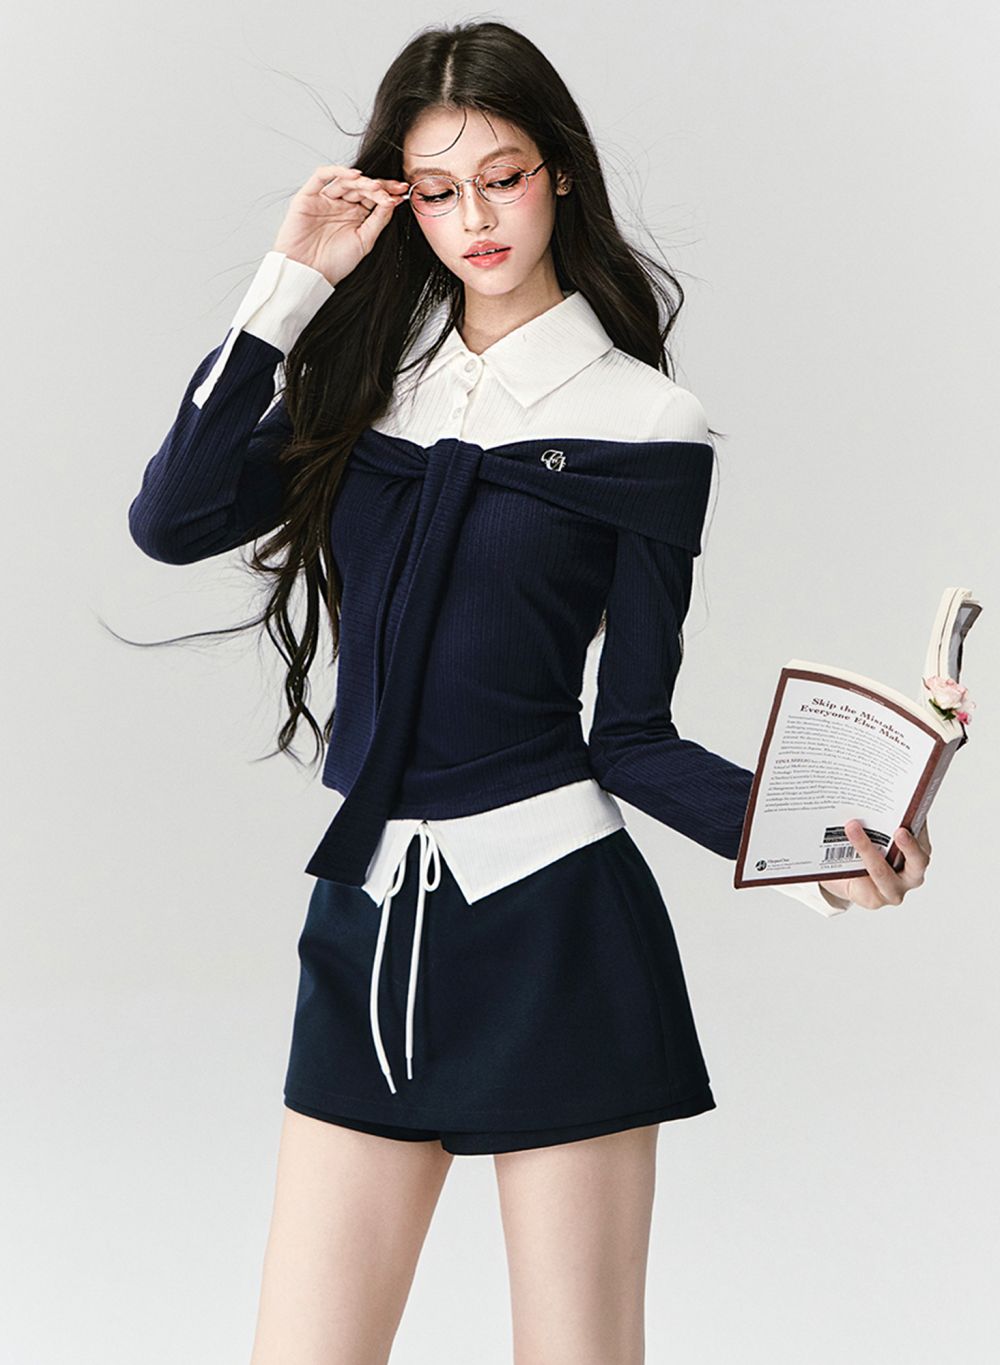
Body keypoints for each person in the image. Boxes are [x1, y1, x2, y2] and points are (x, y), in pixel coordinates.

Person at [126, 20, 932, 1365]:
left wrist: (820, 853)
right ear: (404, 202)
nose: (476, 220)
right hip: (368, 925)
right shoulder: (365, 387)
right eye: (437, 191)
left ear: (557, 171)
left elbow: (634, 736)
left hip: (557, 932)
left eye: (501, 178)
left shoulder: (647, 427)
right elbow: (171, 518)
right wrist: (289, 287)